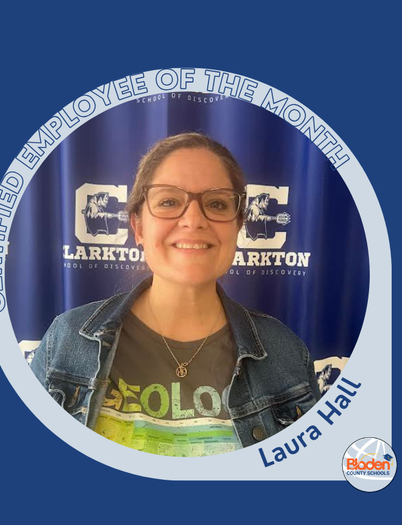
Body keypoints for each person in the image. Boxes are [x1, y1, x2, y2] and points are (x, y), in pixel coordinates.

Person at [30, 133, 319, 457]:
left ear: (238, 226)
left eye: (217, 203)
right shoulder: (67, 342)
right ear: (138, 227)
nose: (194, 220)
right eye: (168, 201)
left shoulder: (286, 357)